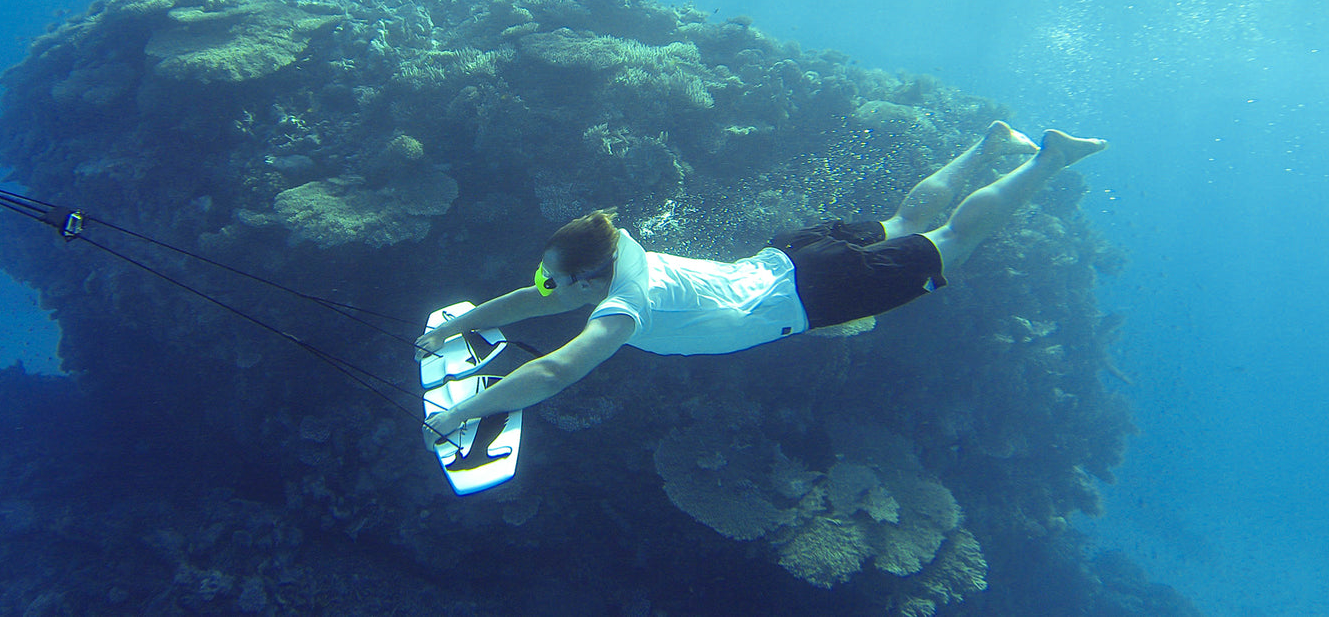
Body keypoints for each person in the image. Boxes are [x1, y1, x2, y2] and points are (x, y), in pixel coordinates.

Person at [417, 121, 1107, 442]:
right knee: (904, 219)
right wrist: (457, 325)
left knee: (955, 241)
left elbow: (554, 374)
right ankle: (987, 143)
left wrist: (456, 415)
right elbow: (538, 297)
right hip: (789, 256)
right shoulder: (617, 246)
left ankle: (1049, 160)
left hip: (812, 293)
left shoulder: (622, 311)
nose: (545, 285)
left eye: (555, 277)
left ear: (589, 278)